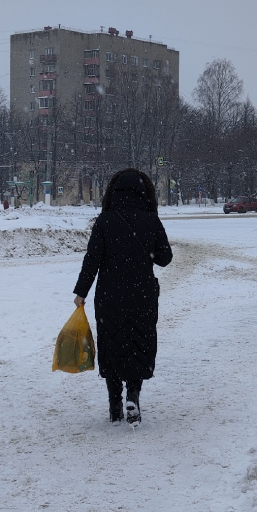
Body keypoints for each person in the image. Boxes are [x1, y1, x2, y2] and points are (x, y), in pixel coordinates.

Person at [73, 169, 173, 427]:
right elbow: (165, 258)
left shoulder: (105, 221)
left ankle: (115, 404)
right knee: (139, 342)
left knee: (112, 344)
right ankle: (134, 395)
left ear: (113, 193)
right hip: (141, 295)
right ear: (144, 193)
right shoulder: (151, 220)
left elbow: (91, 260)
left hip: (110, 296)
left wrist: (81, 292)